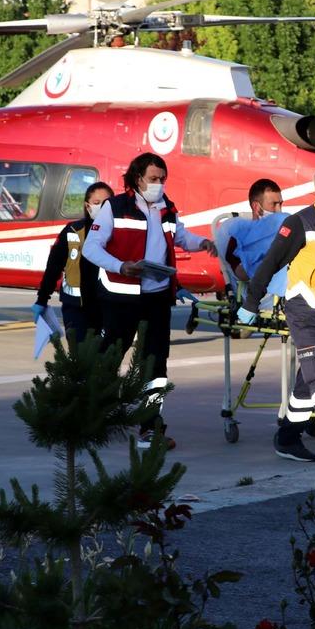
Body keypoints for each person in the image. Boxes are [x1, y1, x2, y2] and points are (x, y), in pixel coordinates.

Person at [82, 153, 218, 448]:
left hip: (156, 298)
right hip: (121, 297)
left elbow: (179, 236)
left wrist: (202, 243)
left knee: (155, 366)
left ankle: (150, 428)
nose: (158, 184)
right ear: (137, 178)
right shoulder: (114, 207)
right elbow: (91, 249)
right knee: (109, 358)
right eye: (153, 179)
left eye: (162, 179)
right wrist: (122, 266)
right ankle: (92, 417)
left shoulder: (167, 208)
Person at [238, 162, 315, 467]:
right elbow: (270, 263)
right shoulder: (300, 222)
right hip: (304, 312)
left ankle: (287, 437)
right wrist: (251, 302)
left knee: (306, 385)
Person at [33, 181, 114, 344]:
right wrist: (42, 299)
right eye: (97, 203)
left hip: (106, 307)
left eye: (106, 204)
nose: (101, 207)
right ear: (87, 205)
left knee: (103, 358)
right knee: (78, 355)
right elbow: (54, 266)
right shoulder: (72, 231)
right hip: (75, 307)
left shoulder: (119, 233)